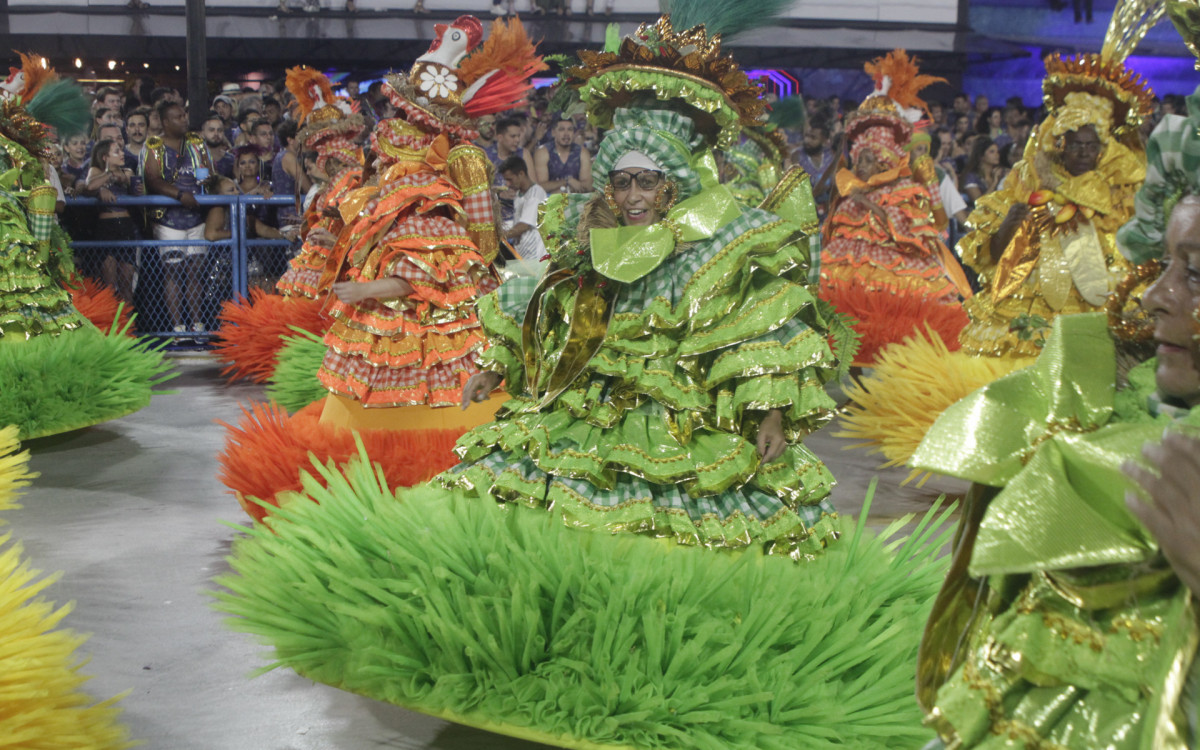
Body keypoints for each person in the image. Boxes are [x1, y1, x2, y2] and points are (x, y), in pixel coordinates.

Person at [216, 16, 948, 750]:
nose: (633, 195)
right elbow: (542, 304)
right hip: (584, 409)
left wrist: (766, 410)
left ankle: (654, 655)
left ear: (676, 179)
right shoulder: (592, 234)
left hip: (687, 426)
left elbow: (759, 328)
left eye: (648, 181)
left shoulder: (725, 246)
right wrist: (498, 364)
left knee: (677, 555)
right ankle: (549, 643)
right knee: (537, 522)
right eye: (622, 180)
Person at [819, 49, 972, 367]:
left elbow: (937, 227)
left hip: (900, 278)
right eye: (861, 155)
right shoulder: (849, 193)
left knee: (901, 327)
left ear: (889, 153)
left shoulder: (907, 189)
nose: (865, 163)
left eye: (872, 155)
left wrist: (920, 181)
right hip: (851, 262)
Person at [141, 99, 214, 335]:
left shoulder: (195, 142)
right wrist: (179, 194)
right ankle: (177, 326)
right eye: (177, 117)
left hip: (196, 217)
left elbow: (209, 172)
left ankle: (197, 323)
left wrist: (206, 178)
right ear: (164, 122)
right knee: (172, 271)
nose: (183, 120)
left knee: (195, 271)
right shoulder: (155, 145)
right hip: (169, 219)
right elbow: (152, 179)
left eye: (184, 115)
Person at [84, 138, 139, 305]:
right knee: (109, 287)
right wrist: (104, 183)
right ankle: (111, 328)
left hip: (126, 228)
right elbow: (90, 186)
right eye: (117, 152)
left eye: (121, 150)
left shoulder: (127, 171)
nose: (122, 154)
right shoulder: (95, 170)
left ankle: (128, 329)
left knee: (126, 285)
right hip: (107, 229)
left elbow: (130, 182)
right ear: (104, 157)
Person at [497, 154, 546, 275]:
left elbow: (524, 225)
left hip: (536, 257)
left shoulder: (536, 194)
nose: (507, 184)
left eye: (510, 179)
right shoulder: (519, 195)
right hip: (523, 255)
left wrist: (498, 237)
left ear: (521, 174)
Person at [532, 114, 592, 194]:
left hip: (576, 198)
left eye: (570, 129)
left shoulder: (582, 152)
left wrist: (568, 190)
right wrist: (567, 181)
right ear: (553, 132)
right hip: (549, 200)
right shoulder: (543, 152)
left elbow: (588, 186)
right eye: (561, 129)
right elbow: (541, 186)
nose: (566, 134)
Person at [959, 135, 1004, 205]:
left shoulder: (1000, 172)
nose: (997, 155)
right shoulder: (971, 177)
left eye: (997, 151)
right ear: (981, 156)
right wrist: (994, 183)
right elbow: (979, 203)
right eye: (992, 152)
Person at [201, 113, 234, 178]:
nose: (216, 134)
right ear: (202, 133)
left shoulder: (231, 160)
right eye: (211, 130)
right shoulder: (196, 158)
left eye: (219, 130)